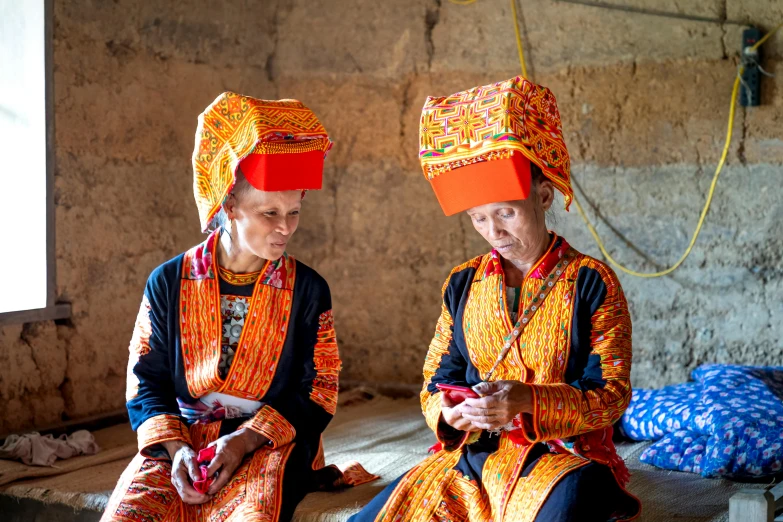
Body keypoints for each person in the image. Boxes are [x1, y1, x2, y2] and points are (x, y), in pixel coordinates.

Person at [350, 77, 641, 521]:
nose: (494, 232)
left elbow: (611, 394)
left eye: (506, 212)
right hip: (472, 458)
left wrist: (527, 401)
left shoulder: (590, 282)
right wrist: (449, 412)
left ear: (542, 197)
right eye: (479, 219)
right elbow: (436, 377)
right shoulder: (463, 282)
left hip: (564, 459)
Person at [102, 92, 375, 522]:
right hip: (184, 443)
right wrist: (176, 453)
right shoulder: (168, 283)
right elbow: (146, 381)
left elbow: (318, 392)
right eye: (269, 212)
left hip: (268, 443)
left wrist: (244, 440)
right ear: (228, 205)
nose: (286, 228)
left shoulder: (307, 290)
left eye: (294, 211)